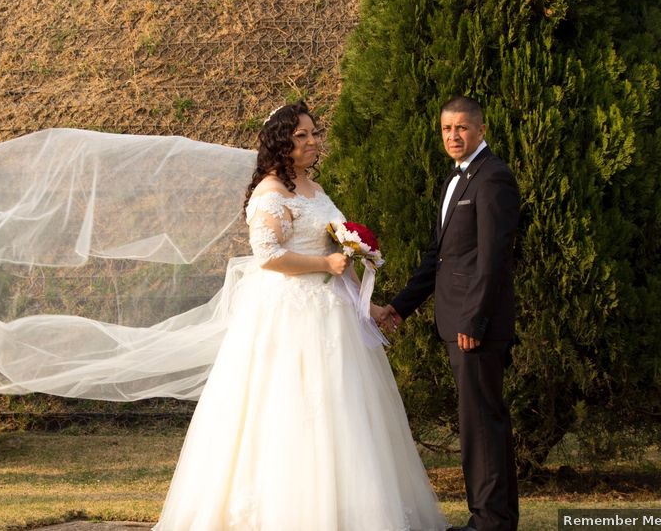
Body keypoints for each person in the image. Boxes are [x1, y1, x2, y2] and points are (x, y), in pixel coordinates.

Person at [154, 102, 448, 530]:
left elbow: (334, 257)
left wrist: (368, 304)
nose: (312, 142)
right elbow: (269, 255)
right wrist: (324, 266)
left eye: (314, 133)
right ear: (282, 144)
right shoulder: (270, 192)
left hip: (332, 314)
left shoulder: (313, 187)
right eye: (302, 137)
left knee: (343, 411)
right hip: (289, 318)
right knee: (288, 410)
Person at [374, 96, 520, 531]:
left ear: (480, 129)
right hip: (457, 321)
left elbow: (493, 259)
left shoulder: (493, 178)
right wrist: (400, 307)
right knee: (481, 421)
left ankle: (488, 523)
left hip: (476, 327)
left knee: (481, 425)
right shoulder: (454, 180)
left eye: (461, 128)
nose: (453, 136)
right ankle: (496, 520)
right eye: (446, 129)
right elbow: (439, 257)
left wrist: (474, 321)